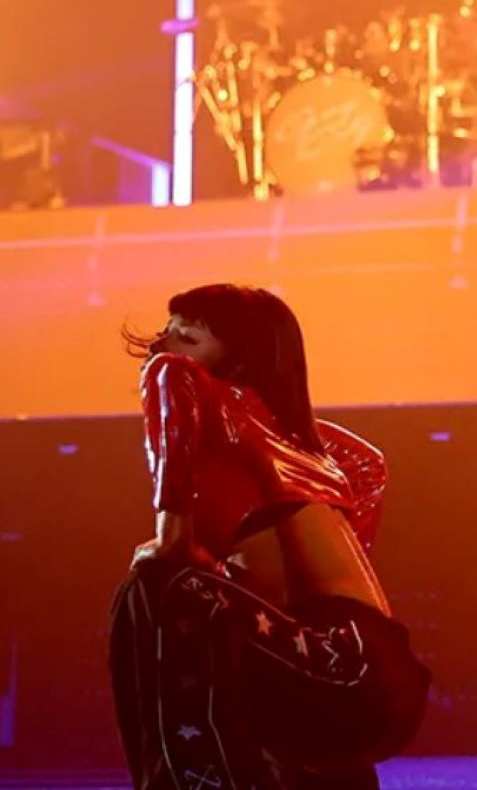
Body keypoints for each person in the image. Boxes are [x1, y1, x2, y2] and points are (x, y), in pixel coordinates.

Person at [110, 284, 429, 789]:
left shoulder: (174, 376)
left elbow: (173, 546)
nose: (165, 345)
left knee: (157, 584)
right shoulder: (303, 442)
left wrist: (170, 539)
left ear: (240, 356)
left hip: (327, 661)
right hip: (378, 669)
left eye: (189, 336)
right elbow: (370, 469)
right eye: (166, 332)